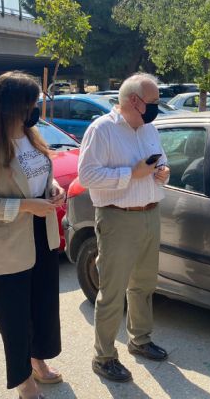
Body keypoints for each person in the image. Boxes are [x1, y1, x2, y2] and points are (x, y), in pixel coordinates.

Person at [0, 71, 66, 399]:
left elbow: (38, 177)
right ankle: (24, 381)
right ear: (11, 106)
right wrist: (26, 206)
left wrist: (53, 188)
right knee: (14, 318)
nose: (36, 110)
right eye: (31, 104)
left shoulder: (32, 137)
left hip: (41, 234)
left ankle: (37, 360)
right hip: (5, 245)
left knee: (42, 307)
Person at [78, 73, 171, 383]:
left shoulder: (149, 128)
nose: (158, 106)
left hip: (150, 213)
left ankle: (140, 339)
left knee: (144, 284)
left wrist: (162, 172)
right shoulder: (101, 130)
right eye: (154, 101)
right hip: (117, 218)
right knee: (112, 292)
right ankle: (104, 357)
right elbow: (87, 176)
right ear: (135, 100)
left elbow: (161, 162)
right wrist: (131, 174)